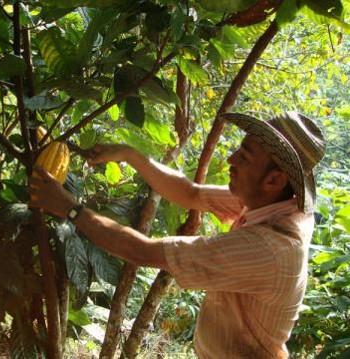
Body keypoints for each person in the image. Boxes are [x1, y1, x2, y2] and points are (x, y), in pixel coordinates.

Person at [29, 111, 326, 358]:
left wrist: (70, 209)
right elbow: (191, 193)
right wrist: (129, 154)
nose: (231, 160)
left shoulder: (270, 248)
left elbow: (142, 252)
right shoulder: (277, 202)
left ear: (274, 179)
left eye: (244, 157)